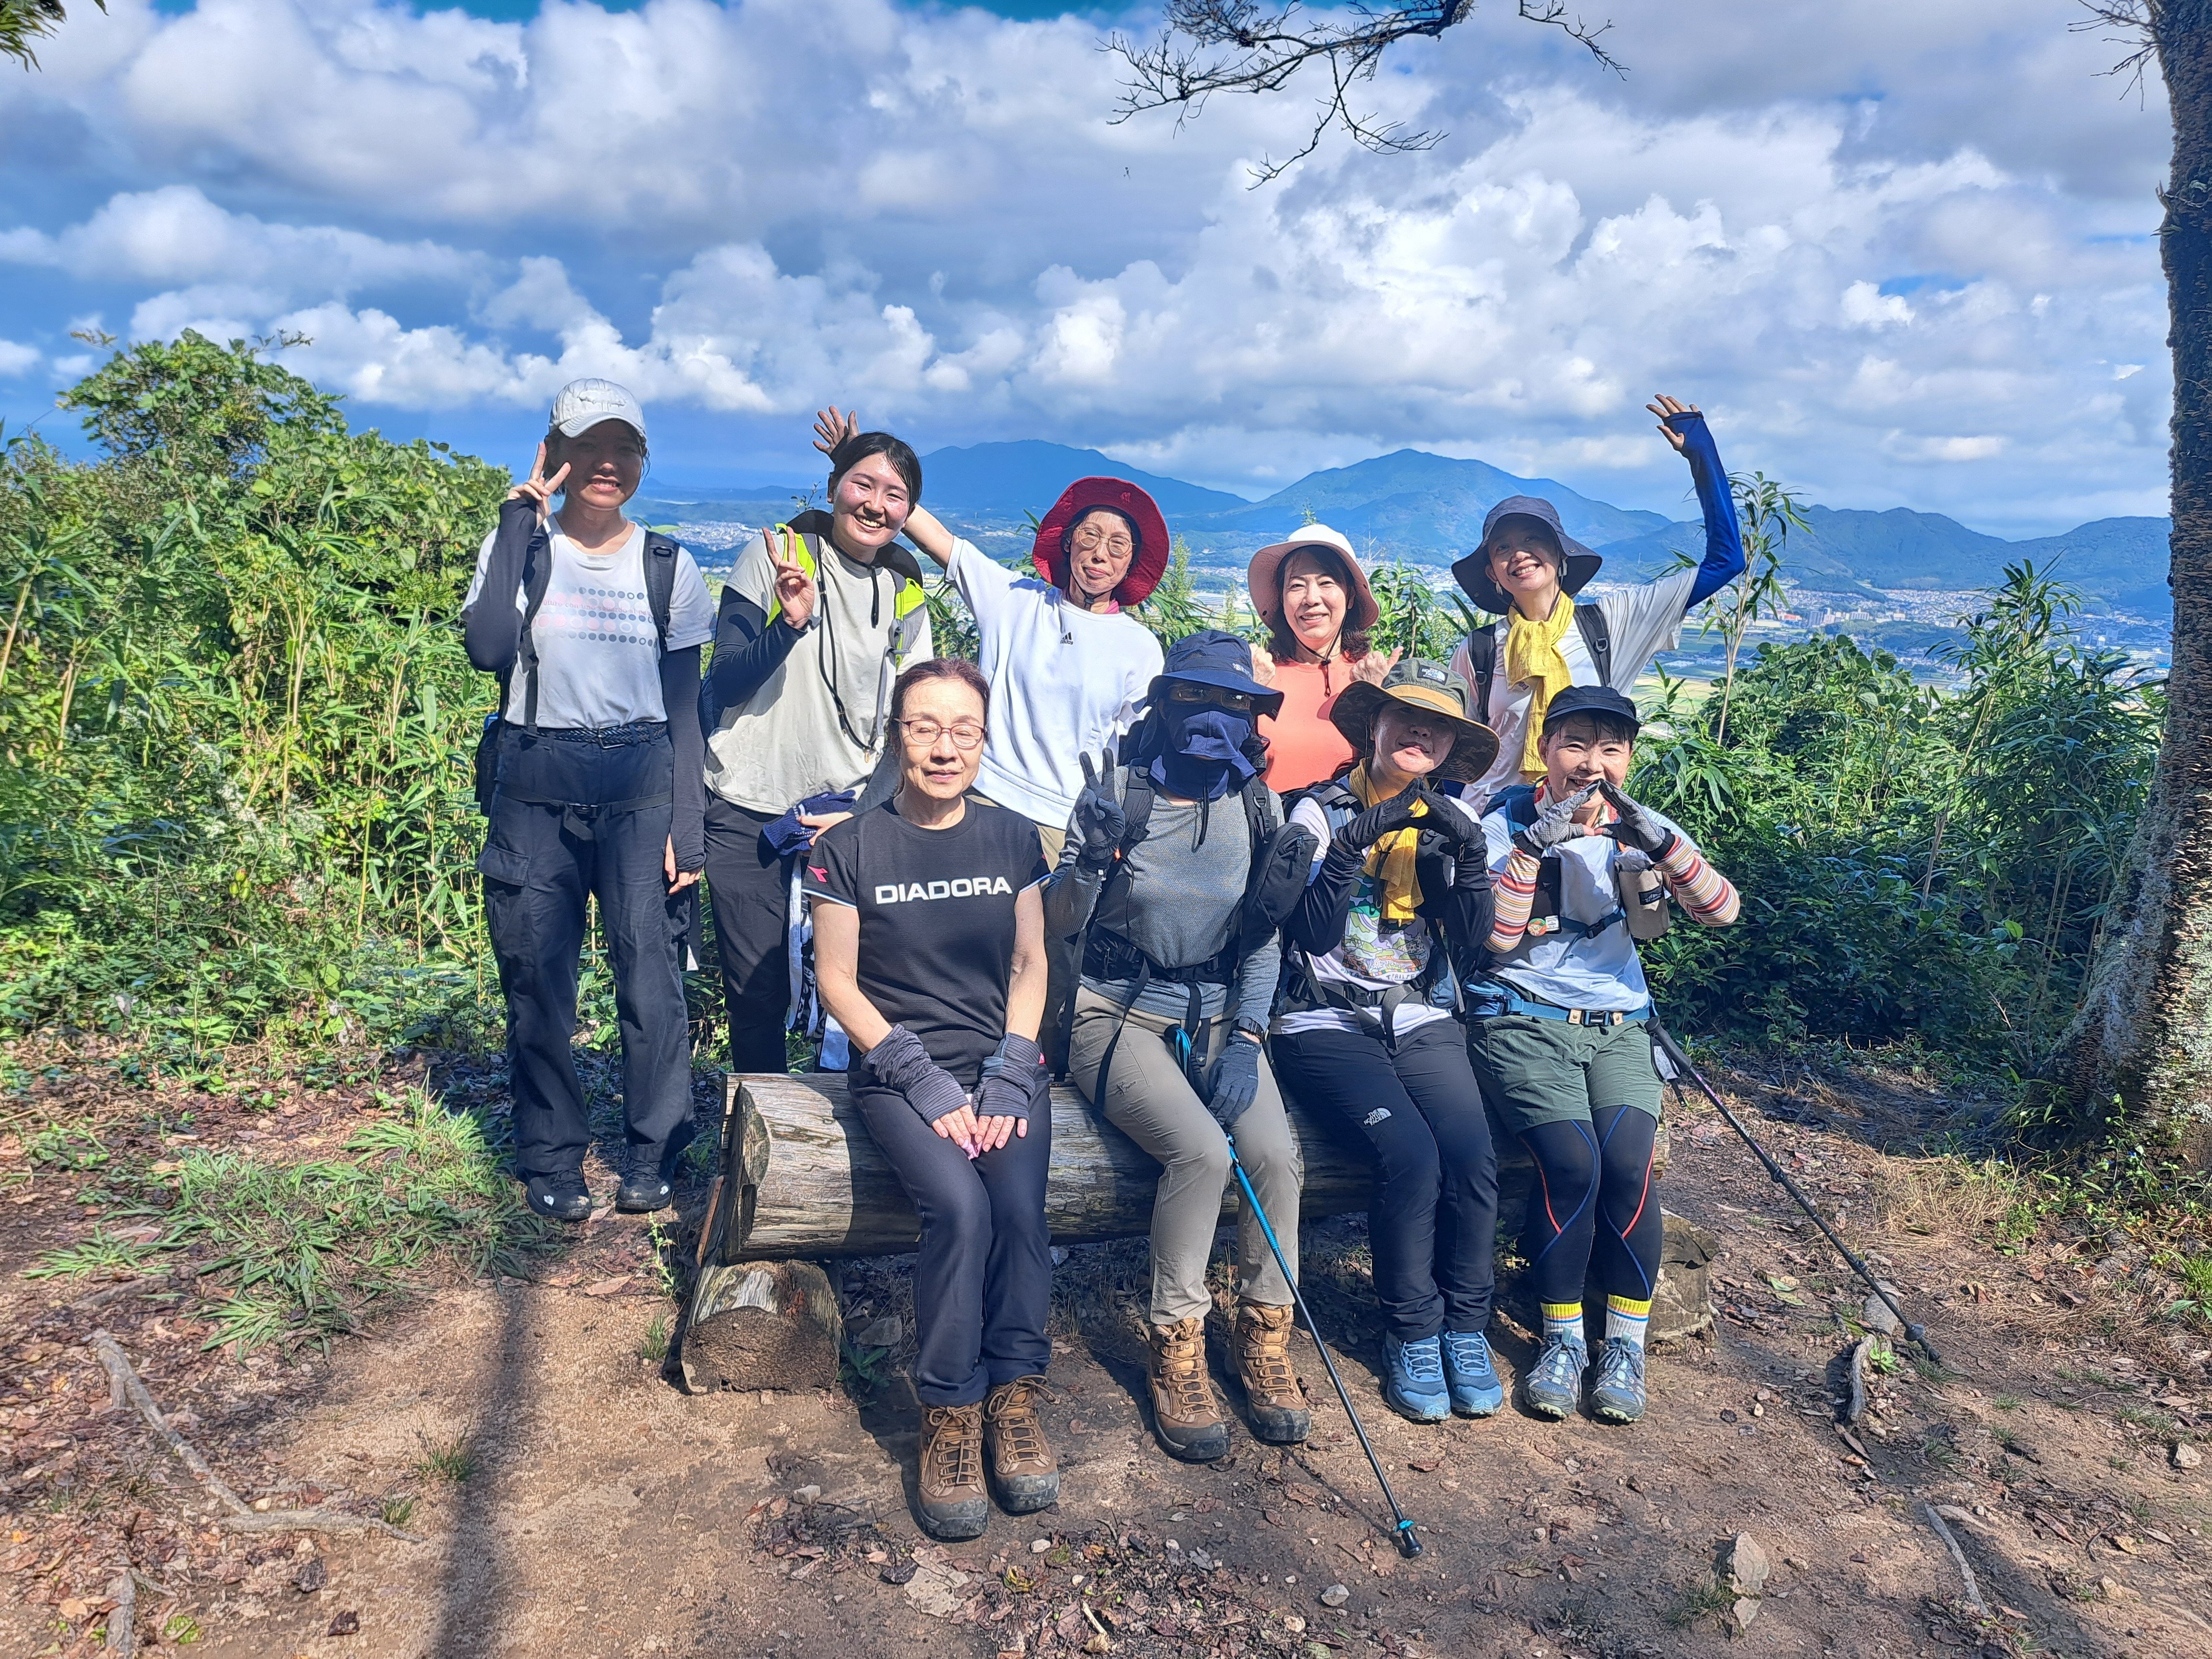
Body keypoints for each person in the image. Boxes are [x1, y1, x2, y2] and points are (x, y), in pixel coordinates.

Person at [805, 658, 1055, 1539]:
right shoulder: (847, 847)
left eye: (963, 731)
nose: (944, 748)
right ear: (896, 736)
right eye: (924, 727)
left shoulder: (1013, 839)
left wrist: (1010, 1067)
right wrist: (919, 1075)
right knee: (959, 1207)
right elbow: (837, 982)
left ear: (983, 741)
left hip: (1001, 1065)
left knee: (1018, 1208)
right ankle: (949, 1407)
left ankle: (1014, 1393)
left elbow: (1030, 964)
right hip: (897, 1070)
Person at [1049, 631, 1315, 1461]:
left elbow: (1262, 936)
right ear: (1163, 704)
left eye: (1234, 703)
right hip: (1113, 1011)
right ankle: (1177, 1341)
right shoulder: (1117, 795)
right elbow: (1060, 922)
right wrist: (1090, 862)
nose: (1213, 716)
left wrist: (1247, 1035)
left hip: (1219, 1014)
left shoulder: (1257, 808)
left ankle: (1264, 1332)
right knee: (1200, 1152)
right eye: (1194, 697)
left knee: (1275, 1155)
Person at [462, 379, 718, 1220]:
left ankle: (653, 1151)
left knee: (651, 975)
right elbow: (486, 648)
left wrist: (689, 824)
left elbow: (684, 709)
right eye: (588, 446)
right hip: (537, 778)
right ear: (555, 453)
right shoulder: (523, 548)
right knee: (538, 976)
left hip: (641, 779)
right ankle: (551, 1154)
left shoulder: (669, 566)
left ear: (642, 460)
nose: (607, 464)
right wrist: (515, 522)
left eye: (624, 448)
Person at [1468, 686, 1741, 1425]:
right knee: (1573, 1165)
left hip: (1620, 1023)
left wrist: (1660, 844)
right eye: (1576, 744)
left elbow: (1721, 909)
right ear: (1546, 750)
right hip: (1523, 1017)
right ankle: (1562, 1340)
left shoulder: (1641, 829)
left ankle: (1624, 1344)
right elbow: (1497, 936)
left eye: (1611, 748)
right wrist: (1535, 846)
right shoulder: (1502, 824)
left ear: (1629, 758)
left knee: (1627, 1165)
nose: (1592, 764)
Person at [1271, 659, 1505, 1424]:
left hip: (1419, 1011)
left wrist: (1469, 858)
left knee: (1471, 1155)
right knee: (1410, 1155)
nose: (1418, 733)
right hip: (1324, 1018)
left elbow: (1472, 938)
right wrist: (1355, 843)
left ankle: (1466, 1325)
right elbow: (1311, 934)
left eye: (1436, 726)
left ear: (1448, 747)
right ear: (1373, 725)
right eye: (1405, 716)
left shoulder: (1452, 818)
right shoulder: (1318, 812)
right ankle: (1413, 1328)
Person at [811, 408, 1166, 864]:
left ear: (1131, 561)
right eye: (1090, 536)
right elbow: (938, 540)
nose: (1100, 554)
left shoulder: (1140, 648)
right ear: (1068, 542)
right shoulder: (1014, 600)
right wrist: (859, 464)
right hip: (978, 798)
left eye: (1118, 545)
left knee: (1042, 917)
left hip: (1065, 823)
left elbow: (1138, 749)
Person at [701, 431, 933, 1076]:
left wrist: (872, 813)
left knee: (858, 989)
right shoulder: (777, 552)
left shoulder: (905, 586)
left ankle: (851, 1123)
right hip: (750, 805)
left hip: (850, 815)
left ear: (908, 511)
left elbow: (914, 713)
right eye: (863, 484)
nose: (876, 505)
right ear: (834, 488)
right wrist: (789, 624)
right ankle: (762, 1119)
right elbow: (725, 681)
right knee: (756, 991)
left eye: (895, 494)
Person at [1447, 395, 1746, 813]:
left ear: (1561, 553)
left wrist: (1702, 453)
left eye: (1533, 540)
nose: (1519, 554)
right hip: (1493, 825)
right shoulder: (1479, 650)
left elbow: (1726, 561)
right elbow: (1456, 748)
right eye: (1503, 548)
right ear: (1492, 573)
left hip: (1586, 820)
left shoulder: (1612, 625)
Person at [1244, 527, 1400, 793]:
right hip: (1269, 820)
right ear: (1282, 600)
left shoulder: (1373, 677)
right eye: (1296, 586)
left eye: (1326, 583)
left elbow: (1398, 774)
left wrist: (1380, 699)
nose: (1311, 599)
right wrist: (1245, 696)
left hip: (1352, 820)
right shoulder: (1261, 676)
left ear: (1351, 596)